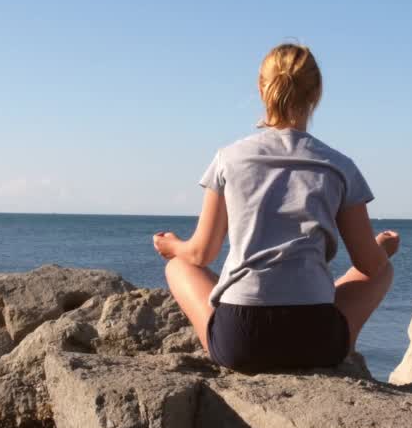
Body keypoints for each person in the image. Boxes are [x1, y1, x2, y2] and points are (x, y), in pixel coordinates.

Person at [152, 43, 398, 372]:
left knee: (178, 267)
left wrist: (171, 247)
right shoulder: (339, 166)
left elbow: (201, 254)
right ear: (317, 93)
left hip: (242, 343)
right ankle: (341, 343)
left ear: (260, 87)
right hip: (316, 342)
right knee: (385, 269)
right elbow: (369, 265)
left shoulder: (229, 158)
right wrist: (383, 248)